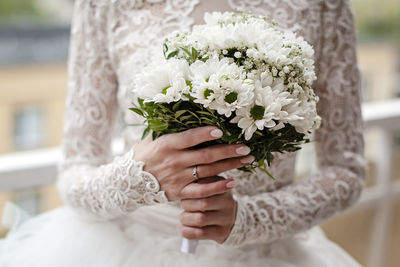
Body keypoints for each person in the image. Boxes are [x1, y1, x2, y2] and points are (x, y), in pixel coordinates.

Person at [0, 0, 366, 266]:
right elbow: (75, 169)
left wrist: (249, 219)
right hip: (127, 248)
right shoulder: (103, 5)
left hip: (266, 253)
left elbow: (347, 170)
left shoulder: (324, 6)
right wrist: (135, 177)